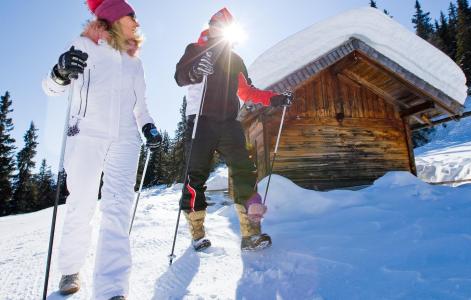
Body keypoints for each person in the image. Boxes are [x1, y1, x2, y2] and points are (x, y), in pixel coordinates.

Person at [42, 0, 162, 299]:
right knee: (81, 203)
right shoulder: (84, 45)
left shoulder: (134, 61)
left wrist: (148, 125)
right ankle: (71, 268)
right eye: (130, 17)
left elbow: (141, 106)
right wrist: (60, 72)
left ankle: (112, 288)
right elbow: (52, 88)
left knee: (118, 207)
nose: (136, 22)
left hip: (125, 137)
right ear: (113, 19)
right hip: (86, 133)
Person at [174, 8, 293, 252]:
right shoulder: (195, 50)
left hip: (228, 122)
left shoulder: (235, 59)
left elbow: (248, 92)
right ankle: (197, 232)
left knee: (244, 171)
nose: (220, 30)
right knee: (194, 177)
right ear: (210, 26)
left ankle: (251, 233)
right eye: (217, 25)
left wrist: (275, 98)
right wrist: (196, 70)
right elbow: (180, 76)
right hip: (200, 121)